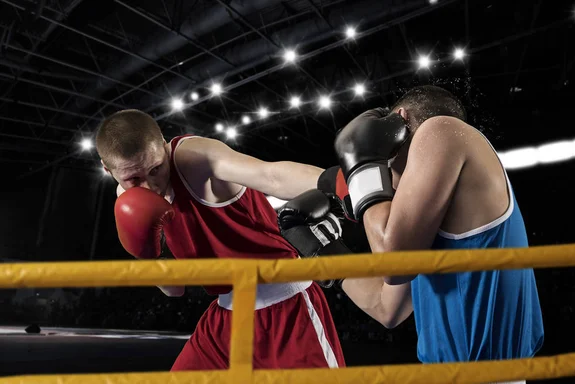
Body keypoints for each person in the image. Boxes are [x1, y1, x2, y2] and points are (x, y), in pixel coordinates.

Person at [281, 85, 545, 373]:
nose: (388, 171)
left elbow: (393, 263)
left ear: (401, 120)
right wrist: (324, 251)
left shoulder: (439, 129)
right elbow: (385, 307)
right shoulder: (429, 225)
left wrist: (365, 163)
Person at [95, 109, 345, 370]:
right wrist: (148, 254)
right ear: (107, 168)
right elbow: (173, 289)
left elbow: (270, 176)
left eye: (156, 169)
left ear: (164, 146)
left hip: (286, 306)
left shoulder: (193, 158)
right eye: (133, 179)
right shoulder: (125, 199)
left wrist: (346, 184)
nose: (150, 186)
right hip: (226, 315)